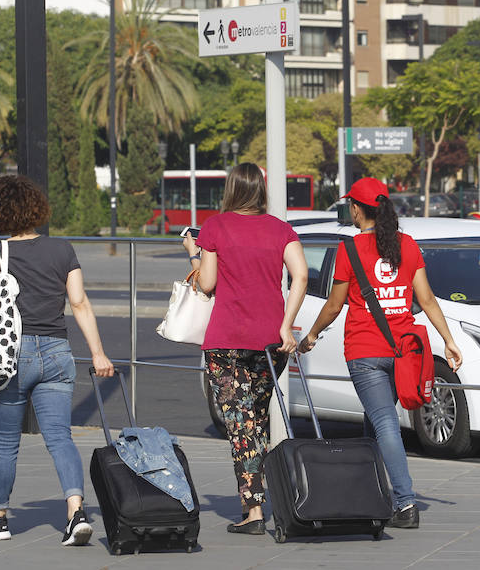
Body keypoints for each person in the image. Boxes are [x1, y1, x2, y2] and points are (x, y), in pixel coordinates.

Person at [298, 177, 463, 529]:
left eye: (351, 207)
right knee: (375, 422)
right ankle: (370, 492)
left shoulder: (350, 249)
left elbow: (334, 304)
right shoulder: (406, 244)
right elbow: (428, 299)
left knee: (385, 422)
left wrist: (312, 334)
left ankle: (405, 503)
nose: (350, 212)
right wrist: (448, 340)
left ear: (358, 209)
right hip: (403, 350)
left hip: (365, 351)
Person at [0, 175, 114, 545]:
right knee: (59, 437)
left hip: (13, 356)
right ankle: (76, 512)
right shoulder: (63, 249)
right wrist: (97, 352)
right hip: (57, 351)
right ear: (35, 209)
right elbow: (79, 303)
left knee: (4, 442)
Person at [182, 163, 307, 535]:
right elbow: (300, 275)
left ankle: (253, 511)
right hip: (272, 340)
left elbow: (206, 283)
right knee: (256, 419)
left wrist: (193, 249)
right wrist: (287, 323)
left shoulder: (216, 227)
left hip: (228, 341)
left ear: (232, 189)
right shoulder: (281, 229)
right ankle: (265, 495)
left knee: (241, 425)